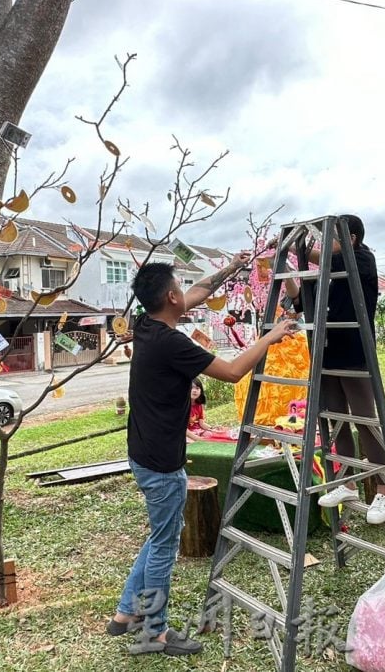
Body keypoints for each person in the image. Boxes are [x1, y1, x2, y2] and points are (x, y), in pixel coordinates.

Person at [106, 258, 296, 656]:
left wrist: (231, 268)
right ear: (171, 297)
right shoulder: (172, 342)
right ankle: (154, 631)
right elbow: (230, 372)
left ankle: (126, 613)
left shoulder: (147, 325)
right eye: (180, 287)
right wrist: (270, 337)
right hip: (161, 462)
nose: (186, 292)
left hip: (143, 452)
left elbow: (196, 294)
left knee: (159, 536)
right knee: (163, 545)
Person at [282, 214, 385, 525]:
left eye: (328, 238)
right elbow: (300, 301)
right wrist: (288, 268)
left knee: (365, 422)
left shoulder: (362, 260)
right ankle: (347, 483)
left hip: (354, 356)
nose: (321, 245)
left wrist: (302, 252)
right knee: (336, 421)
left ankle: (384, 489)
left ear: (351, 238)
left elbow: (334, 259)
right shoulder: (325, 275)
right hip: (326, 356)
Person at [187, 377, 236, 442]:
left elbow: (202, 424)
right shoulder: (181, 406)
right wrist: (197, 438)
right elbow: (181, 428)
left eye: (197, 388)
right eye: (191, 388)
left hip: (198, 431)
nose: (194, 390)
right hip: (186, 434)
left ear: (201, 391)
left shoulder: (199, 406)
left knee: (211, 435)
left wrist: (213, 428)